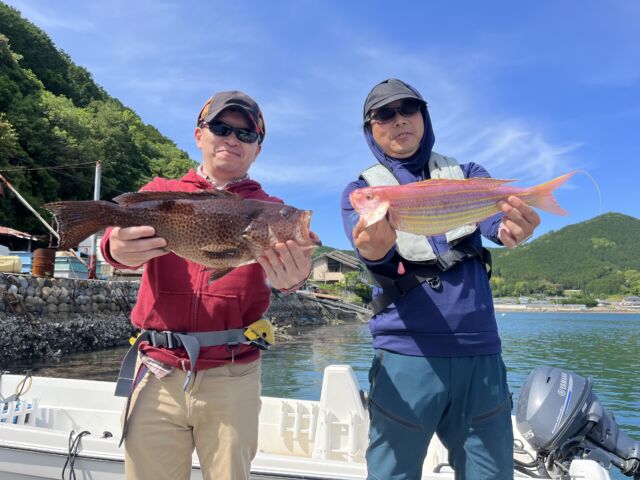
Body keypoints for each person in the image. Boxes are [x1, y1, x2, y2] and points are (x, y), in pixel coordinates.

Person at [101, 90, 315, 480]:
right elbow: (114, 242)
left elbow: (292, 276)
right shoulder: (161, 193)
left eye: (246, 134)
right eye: (221, 128)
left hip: (233, 374)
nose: (232, 139)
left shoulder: (269, 208)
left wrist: (295, 277)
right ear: (200, 135)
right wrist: (113, 246)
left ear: (257, 150)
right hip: (157, 368)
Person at [341, 78, 541, 480]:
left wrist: (512, 228)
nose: (399, 120)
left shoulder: (467, 174)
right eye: (385, 114)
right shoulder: (361, 190)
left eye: (408, 109)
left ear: (424, 116)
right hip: (405, 353)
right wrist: (374, 250)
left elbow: (496, 222)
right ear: (370, 129)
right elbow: (376, 259)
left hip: (480, 355)